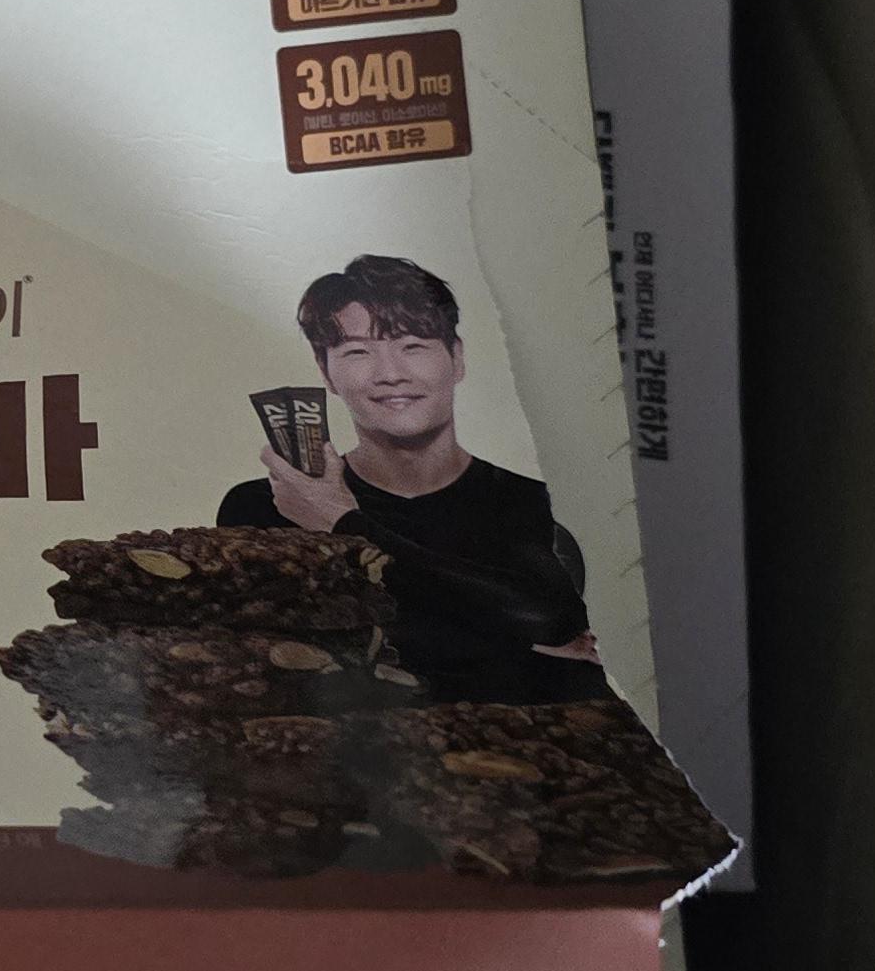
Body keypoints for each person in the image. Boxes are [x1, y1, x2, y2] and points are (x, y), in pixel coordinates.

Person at [218, 254, 606, 703]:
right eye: (358, 352)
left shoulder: (532, 505)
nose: (390, 374)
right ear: (326, 372)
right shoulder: (263, 508)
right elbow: (267, 663)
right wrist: (496, 635)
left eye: (413, 345)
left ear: (457, 358)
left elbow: (548, 620)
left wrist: (343, 523)